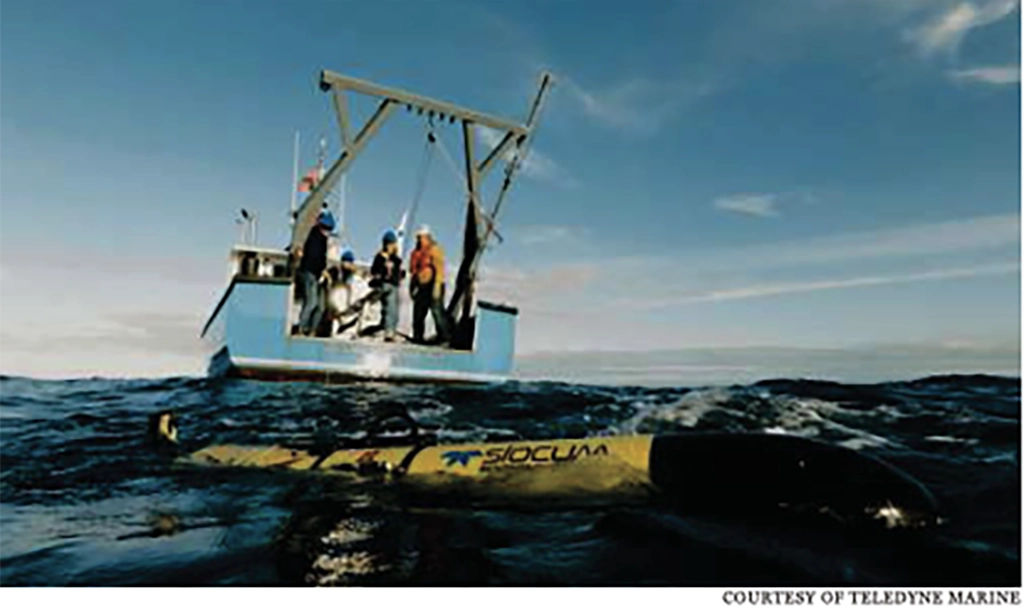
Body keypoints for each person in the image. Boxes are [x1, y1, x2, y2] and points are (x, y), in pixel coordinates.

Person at [408, 225, 451, 344]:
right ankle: (417, 337)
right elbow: (414, 272)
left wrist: (437, 286)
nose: (418, 240)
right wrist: (412, 288)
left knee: (437, 312)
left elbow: (439, 268)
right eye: (417, 238)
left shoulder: (435, 249)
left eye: (420, 237)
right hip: (421, 288)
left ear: (427, 237)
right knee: (418, 314)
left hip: (433, 285)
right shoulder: (415, 253)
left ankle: (445, 337)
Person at [296, 209, 335, 336]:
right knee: (311, 302)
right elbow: (312, 257)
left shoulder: (322, 240)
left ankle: (312, 331)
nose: (327, 231)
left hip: (317, 275)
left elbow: (321, 258)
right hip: (309, 272)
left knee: (321, 307)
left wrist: (323, 271)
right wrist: (322, 271)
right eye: (326, 227)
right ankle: (301, 329)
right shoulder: (313, 236)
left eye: (329, 228)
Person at [370, 229, 403, 341]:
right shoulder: (379, 257)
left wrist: (399, 275)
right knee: (388, 307)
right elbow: (374, 270)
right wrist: (378, 274)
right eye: (388, 244)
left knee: (393, 309)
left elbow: (398, 270)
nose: (390, 246)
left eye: (392, 244)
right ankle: (387, 330)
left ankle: (391, 329)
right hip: (384, 285)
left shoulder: (396, 259)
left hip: (393, 285)